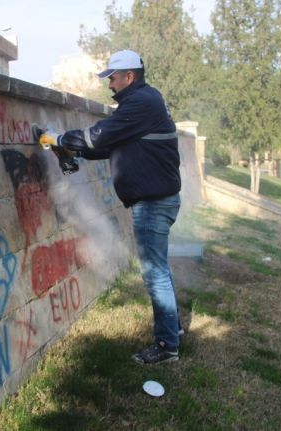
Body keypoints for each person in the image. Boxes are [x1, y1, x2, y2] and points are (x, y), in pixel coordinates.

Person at [38, 49, 182, 364]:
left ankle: (167, 346)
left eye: (113, 78)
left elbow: (99, 136)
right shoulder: (145, 102)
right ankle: (173, 330)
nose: (110, 85)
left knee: (154, 272)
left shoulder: (140, 103)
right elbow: (114, 146)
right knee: (159, 269)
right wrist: (74, 151)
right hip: (159, 199)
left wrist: (59, 139)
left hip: (153, 202)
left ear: (129, 76)